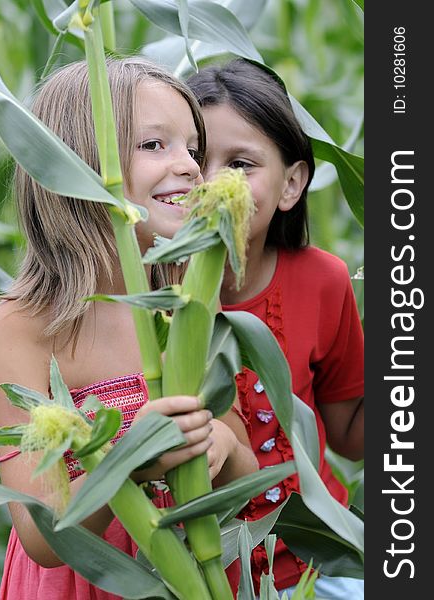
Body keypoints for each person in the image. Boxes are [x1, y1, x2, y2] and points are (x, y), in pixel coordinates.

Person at [0, 57, 258, 600]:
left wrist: (220, 444)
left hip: (190, 573)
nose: (191, 168)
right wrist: (131, 457)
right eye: (155, 146)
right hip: (85, 582)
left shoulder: (188, 305)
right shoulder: (20, 326)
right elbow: (40, 533)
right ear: (72, 165)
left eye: (193, 150)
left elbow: (245, 468)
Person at [187, 58, 364, 599]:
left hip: (317, 563)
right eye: (196, 158)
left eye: (240, 163)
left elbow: (352, 439)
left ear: (291, 184)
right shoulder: (145, 290)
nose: (214, 181)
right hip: (196, 576)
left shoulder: (323, 281)